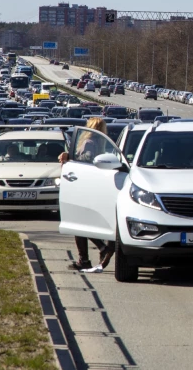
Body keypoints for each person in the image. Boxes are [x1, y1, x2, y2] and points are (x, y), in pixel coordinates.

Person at [58, 117, 115, 273]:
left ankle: (91, 255)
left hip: (83, 185)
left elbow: (86, 159)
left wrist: (70, 158)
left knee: (78, 223)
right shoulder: (100, 144)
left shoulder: (88, 143)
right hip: (94, 185)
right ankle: (90, 255)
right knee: (83, 222)